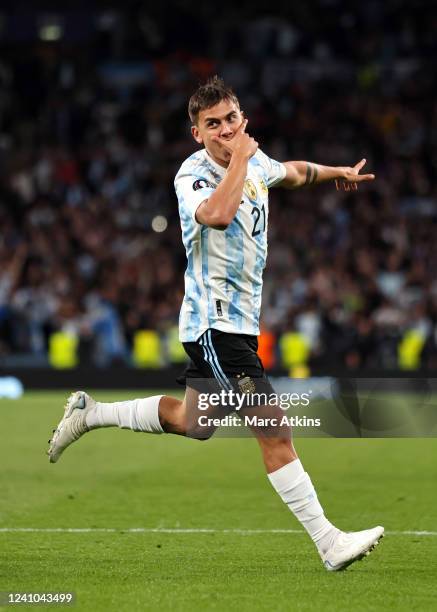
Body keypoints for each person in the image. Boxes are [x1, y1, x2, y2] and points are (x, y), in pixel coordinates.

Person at [47, 76, 383, 571]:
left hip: (240, 323)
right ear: (197, 134)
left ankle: (91, 413)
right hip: (215, 325)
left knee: (194, 423)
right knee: (274, 428)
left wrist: (337, 171)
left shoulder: (256, 162)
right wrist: (243, 159)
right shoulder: (193, 176)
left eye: (231, 119)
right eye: (213, 125)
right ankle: (328, 541)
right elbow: (219, 216)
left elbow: (291, 172)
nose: (225, 131)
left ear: (242, 119)